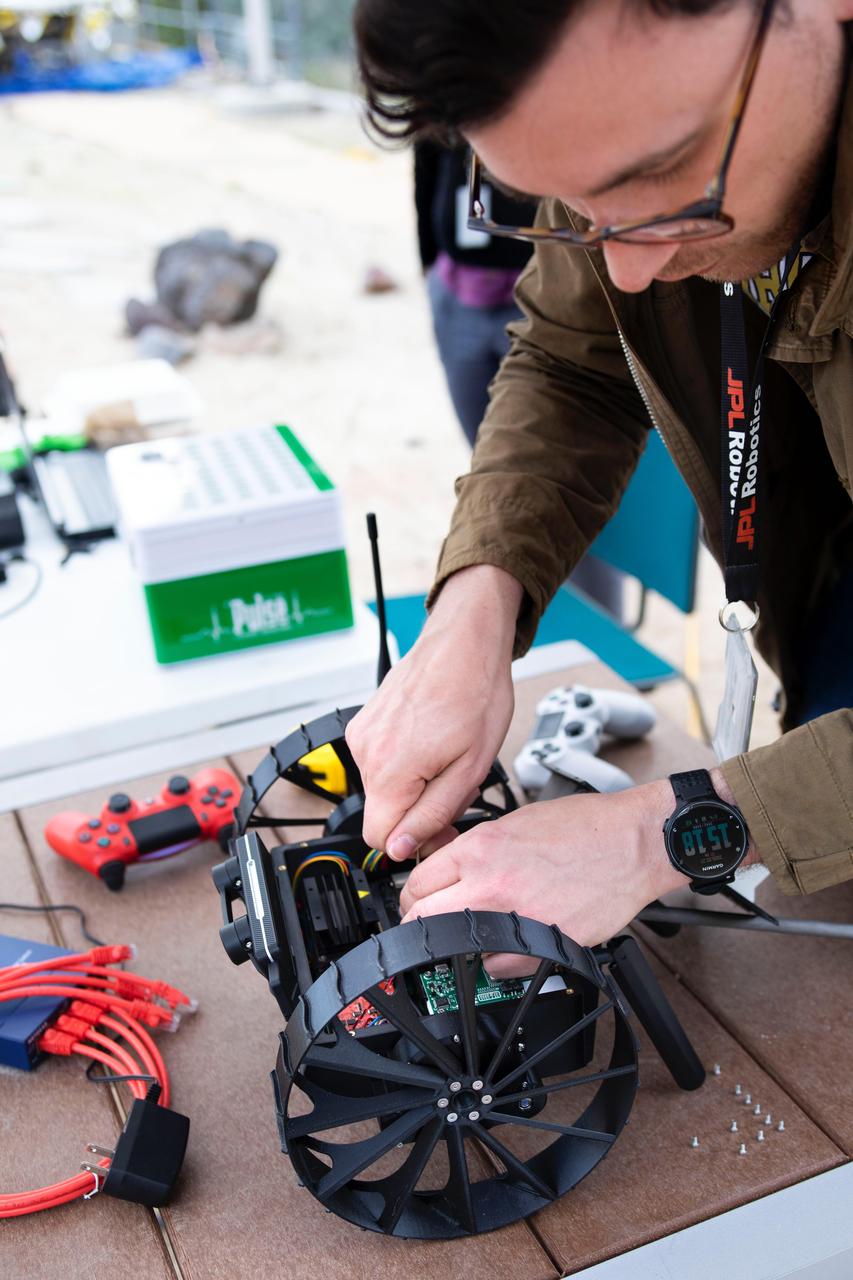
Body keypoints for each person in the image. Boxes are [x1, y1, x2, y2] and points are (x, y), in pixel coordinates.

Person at [347, 0, 853, 972]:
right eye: (576, 211)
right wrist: (471, 614)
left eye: (658, 176)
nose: (627, 267)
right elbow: (575, 359)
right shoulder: (628, 122)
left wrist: (652, 835)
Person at [416, 137, 626, 614]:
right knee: (496, 455)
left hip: (543, 284)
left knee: (572, 467)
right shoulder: (443, 118)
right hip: (459, 288)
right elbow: (516, 466)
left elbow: (578, 390)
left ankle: (596, 618)